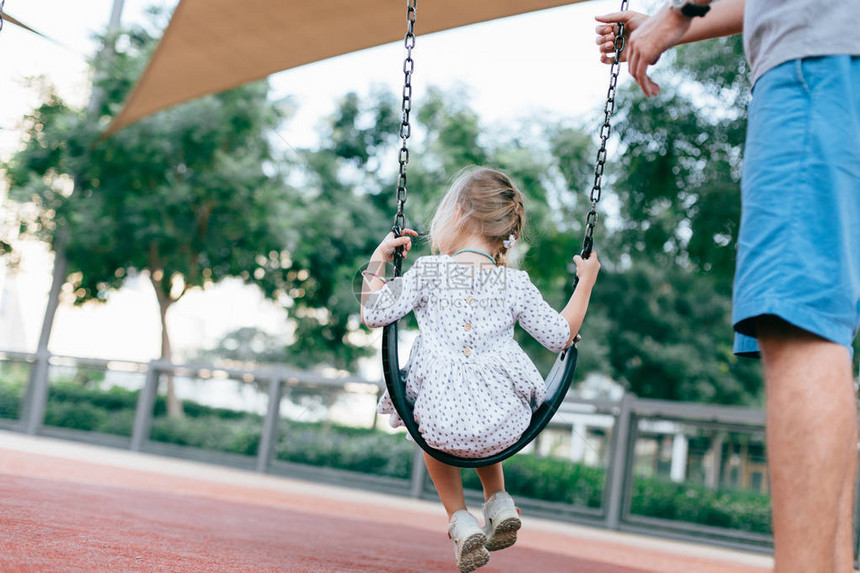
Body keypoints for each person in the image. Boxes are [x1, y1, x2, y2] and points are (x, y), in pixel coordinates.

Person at [594, 2, 860, 572]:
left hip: (818, 54)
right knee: (827, 325)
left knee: (798, 319)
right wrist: (670, 26)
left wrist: (679, 9)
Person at [360, 166, 600, 573]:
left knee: (430, 433)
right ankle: (499, 499)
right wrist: (586, 281)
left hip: (437, 424)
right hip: (504, 426)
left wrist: (377, 260)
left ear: (457, 217)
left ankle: (460, 519)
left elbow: (374, 312)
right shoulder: (515, 283)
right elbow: (560, 335)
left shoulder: (429, 272)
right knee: (486, 402)